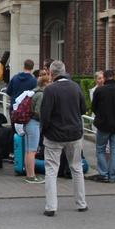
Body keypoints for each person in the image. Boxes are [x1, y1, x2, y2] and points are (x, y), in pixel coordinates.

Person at [40, 60, 88, 217]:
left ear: (51, 74)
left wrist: (44, 132)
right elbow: (83, 109)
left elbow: (45, 115)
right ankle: (82, 203)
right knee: (77, 167)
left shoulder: (50, 90)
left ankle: (51, 206)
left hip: (54, 135)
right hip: (74, 134)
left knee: (51, 170)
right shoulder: (75, 87)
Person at [91, 70, 115, 183]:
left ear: (105, 78)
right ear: (114, 77)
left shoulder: (99, 90)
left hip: (103, 124)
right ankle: (113, 176)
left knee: (100, 149)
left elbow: (93, 107)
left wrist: (100, 116)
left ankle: (103, 174)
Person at [23, 70, 50, 184]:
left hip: (28, 123)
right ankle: (31, 176)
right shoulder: (42, 94)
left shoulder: (34, 92)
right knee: (32, 151)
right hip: (34, 124)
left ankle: (28, 173)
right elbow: (38, 112)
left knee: (28, 150)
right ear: (45, 84)